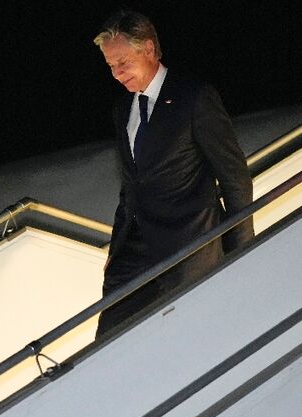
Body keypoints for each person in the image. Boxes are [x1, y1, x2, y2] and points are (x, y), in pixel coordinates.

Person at [93, 10, 254, 337]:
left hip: (189, 244)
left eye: (123, 62)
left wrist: (242, 249)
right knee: (110, 339)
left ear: (149, 49)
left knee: (188, 336)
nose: (117, 73)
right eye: (111, 66)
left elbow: (234, 176)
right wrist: (116, 249)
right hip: (133, 251)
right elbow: (131, 186)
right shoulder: (122, 109)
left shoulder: (194, 96)